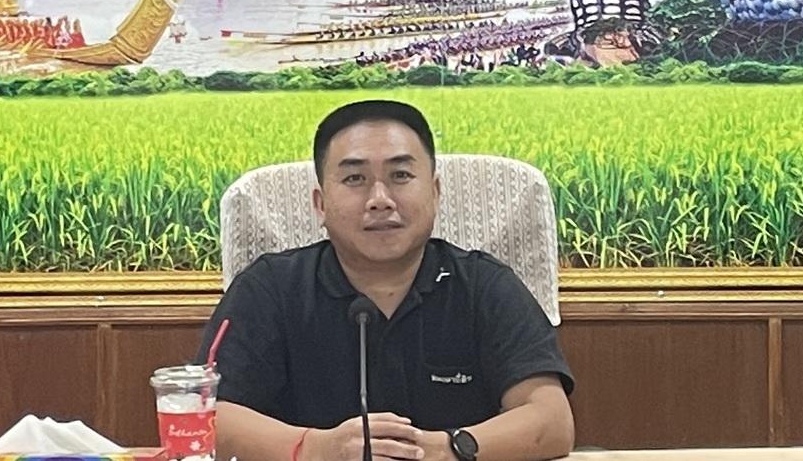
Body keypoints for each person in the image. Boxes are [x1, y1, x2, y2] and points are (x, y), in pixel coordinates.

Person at [197, 100, 574, 461]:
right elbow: (208, 414)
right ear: (320, 204)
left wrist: (443, 450)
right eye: (354, 179)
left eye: (401, 176)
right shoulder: (270, 288)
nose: (380, 199)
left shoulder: (484, 285)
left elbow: (551, 419)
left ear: (435, 192)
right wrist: (317, 450)